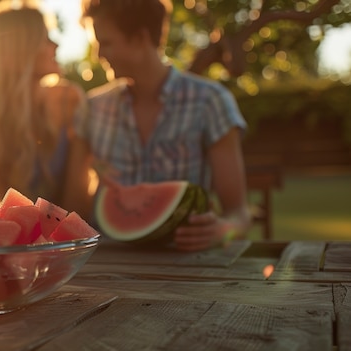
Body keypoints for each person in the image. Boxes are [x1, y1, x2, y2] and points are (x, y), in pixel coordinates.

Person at [72, 0, 252, 251]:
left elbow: (239, 214)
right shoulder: (91, 109)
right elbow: (73, 209)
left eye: (105, 43)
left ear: (140, 38)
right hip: (108, 264)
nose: (98, 55)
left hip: (183, 268)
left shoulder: (211, 101)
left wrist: (222, 230)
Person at [0, 0, 89, 212]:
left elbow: (77, 199)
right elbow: (0, 205)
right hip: (12, 238)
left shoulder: (69, 99)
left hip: (72, 237)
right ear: (20, 51)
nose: (56, 45)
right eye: (45, 38)